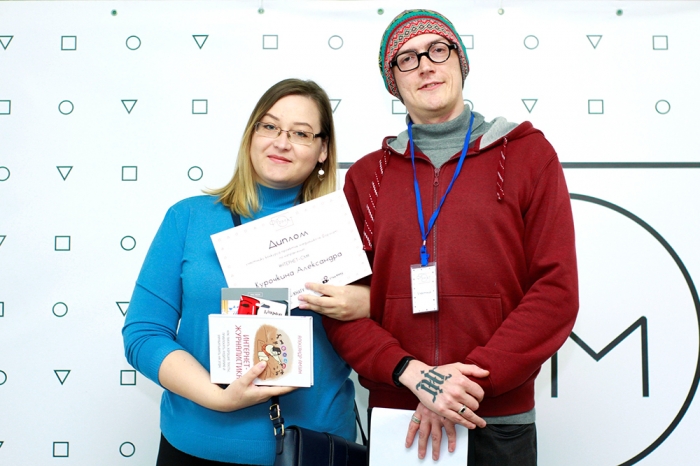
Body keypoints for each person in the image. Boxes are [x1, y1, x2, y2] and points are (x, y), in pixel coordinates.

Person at [320, 9, 579, 465]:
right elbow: (340, 307)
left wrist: (462, 385)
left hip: (497, 419)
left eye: (437, 50)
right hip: (399, 418)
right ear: (393, 83)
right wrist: (413, 375)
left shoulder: (529, 155)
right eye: (406, 59)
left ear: (461, 62)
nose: (425, 65)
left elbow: (555, 292)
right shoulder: (366, 178)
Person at [122, 78, 369, 465]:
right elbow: (144, 334)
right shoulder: (188, 218)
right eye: (270, 126)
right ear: (251, 135)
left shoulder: (348, 228)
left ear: (323, 150)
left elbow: (400, 324)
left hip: (315, 448)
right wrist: (218, 397)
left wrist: (368, 302)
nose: (281, 142)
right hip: (195, 447)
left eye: (301, 133)